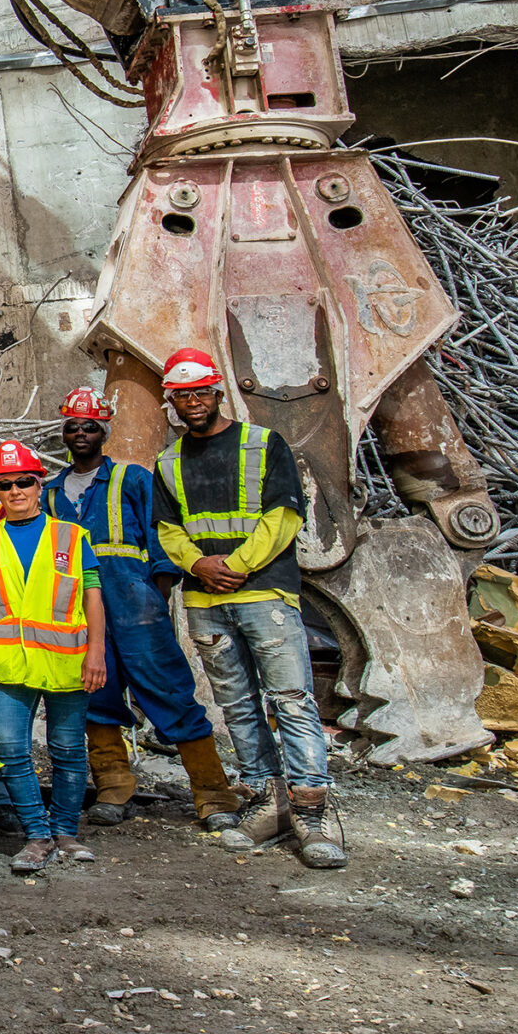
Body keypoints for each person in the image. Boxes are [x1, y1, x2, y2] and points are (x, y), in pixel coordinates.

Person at [151, 348, 345, 869]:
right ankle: (266, 802)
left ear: (217, 392)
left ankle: (313, 812)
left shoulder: (264, 444)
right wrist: (198, 567)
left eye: (200, 392)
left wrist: (234, 564)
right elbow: (167, 529)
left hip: (264, 593)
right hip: (206, 600)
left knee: (292, 699)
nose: (192, 402)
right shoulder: (167, 463)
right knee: (237, 705)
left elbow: (284, 514)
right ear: (171, 401)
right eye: (181, 395)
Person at [46, 387, 239, 831]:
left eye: (89, 426)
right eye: (73, 426)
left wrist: (158, 596)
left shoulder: (133, 479)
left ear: (103, 432)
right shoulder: (51, 493)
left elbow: (161, 539)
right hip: (79, 610)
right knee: (96, 693)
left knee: (168, 689)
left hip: (136, 606)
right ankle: (115, 787)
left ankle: (213, 793)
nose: (80, 433)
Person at [0, 441, 107, 874]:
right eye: (5, 484)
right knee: (10, 749)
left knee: (67, 749)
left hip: (67, 661)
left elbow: (92, 594)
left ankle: (65, 830)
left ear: (39, 483)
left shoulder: (69, 535)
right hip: (8, 663)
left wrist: (97, 653)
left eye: (23, 482)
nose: (15, 491)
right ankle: (37, 834)